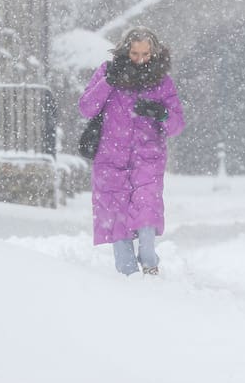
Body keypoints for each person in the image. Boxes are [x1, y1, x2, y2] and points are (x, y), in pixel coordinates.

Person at [79, 27, 185, 276]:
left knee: (146, 208)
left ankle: (149, 261)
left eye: (145, 54)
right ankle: (127, 273)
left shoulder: (162, 81)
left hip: (148, 157)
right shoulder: (107, 72)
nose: (140, 59)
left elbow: (177, 125)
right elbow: (86, 108)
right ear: (126, 51)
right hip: (110, 157)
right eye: (135, 53)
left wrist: (162, 113)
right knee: (116, 215)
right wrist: (108, 82)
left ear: (154, 53)